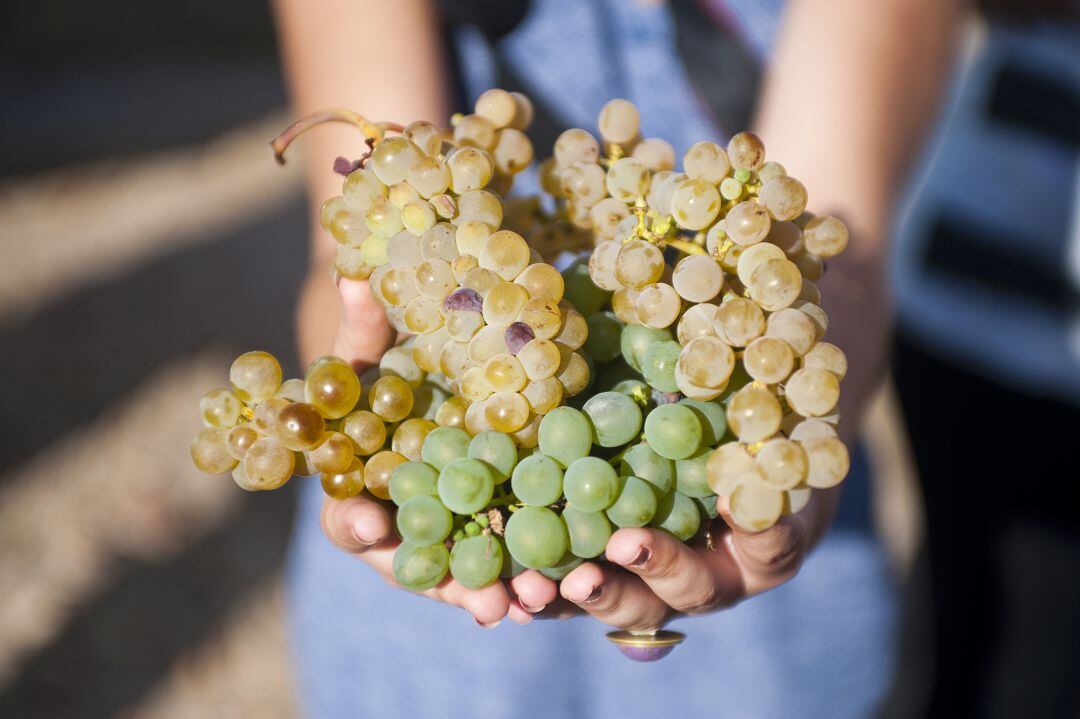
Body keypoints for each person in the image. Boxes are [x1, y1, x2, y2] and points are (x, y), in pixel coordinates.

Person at [272, 0, 964, 715]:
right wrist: (355, 358)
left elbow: (829, 234)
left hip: (741, 547)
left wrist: (792, 466)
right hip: (433, 573)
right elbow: (359, 256)